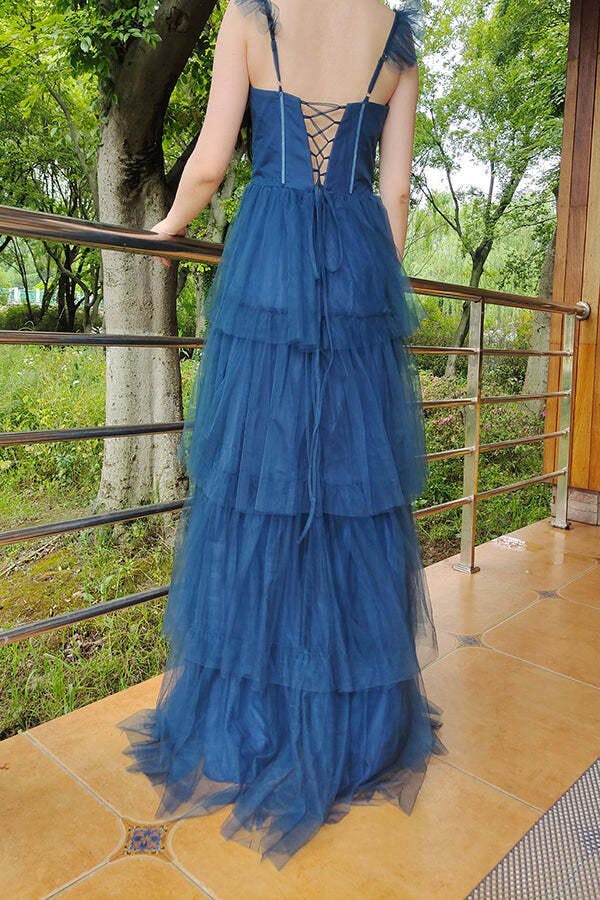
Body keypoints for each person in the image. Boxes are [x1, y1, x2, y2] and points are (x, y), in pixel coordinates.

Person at [118, 0, 447, 871]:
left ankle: (253, 714)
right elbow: (395, 193)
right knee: (346, 498)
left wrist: (166, 230)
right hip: (356, 268)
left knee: (261, 488)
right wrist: (375, 299)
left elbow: (208, 165)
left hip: (269, 264)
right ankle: (352, 725)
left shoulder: (253, 13)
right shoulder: (396, 37)